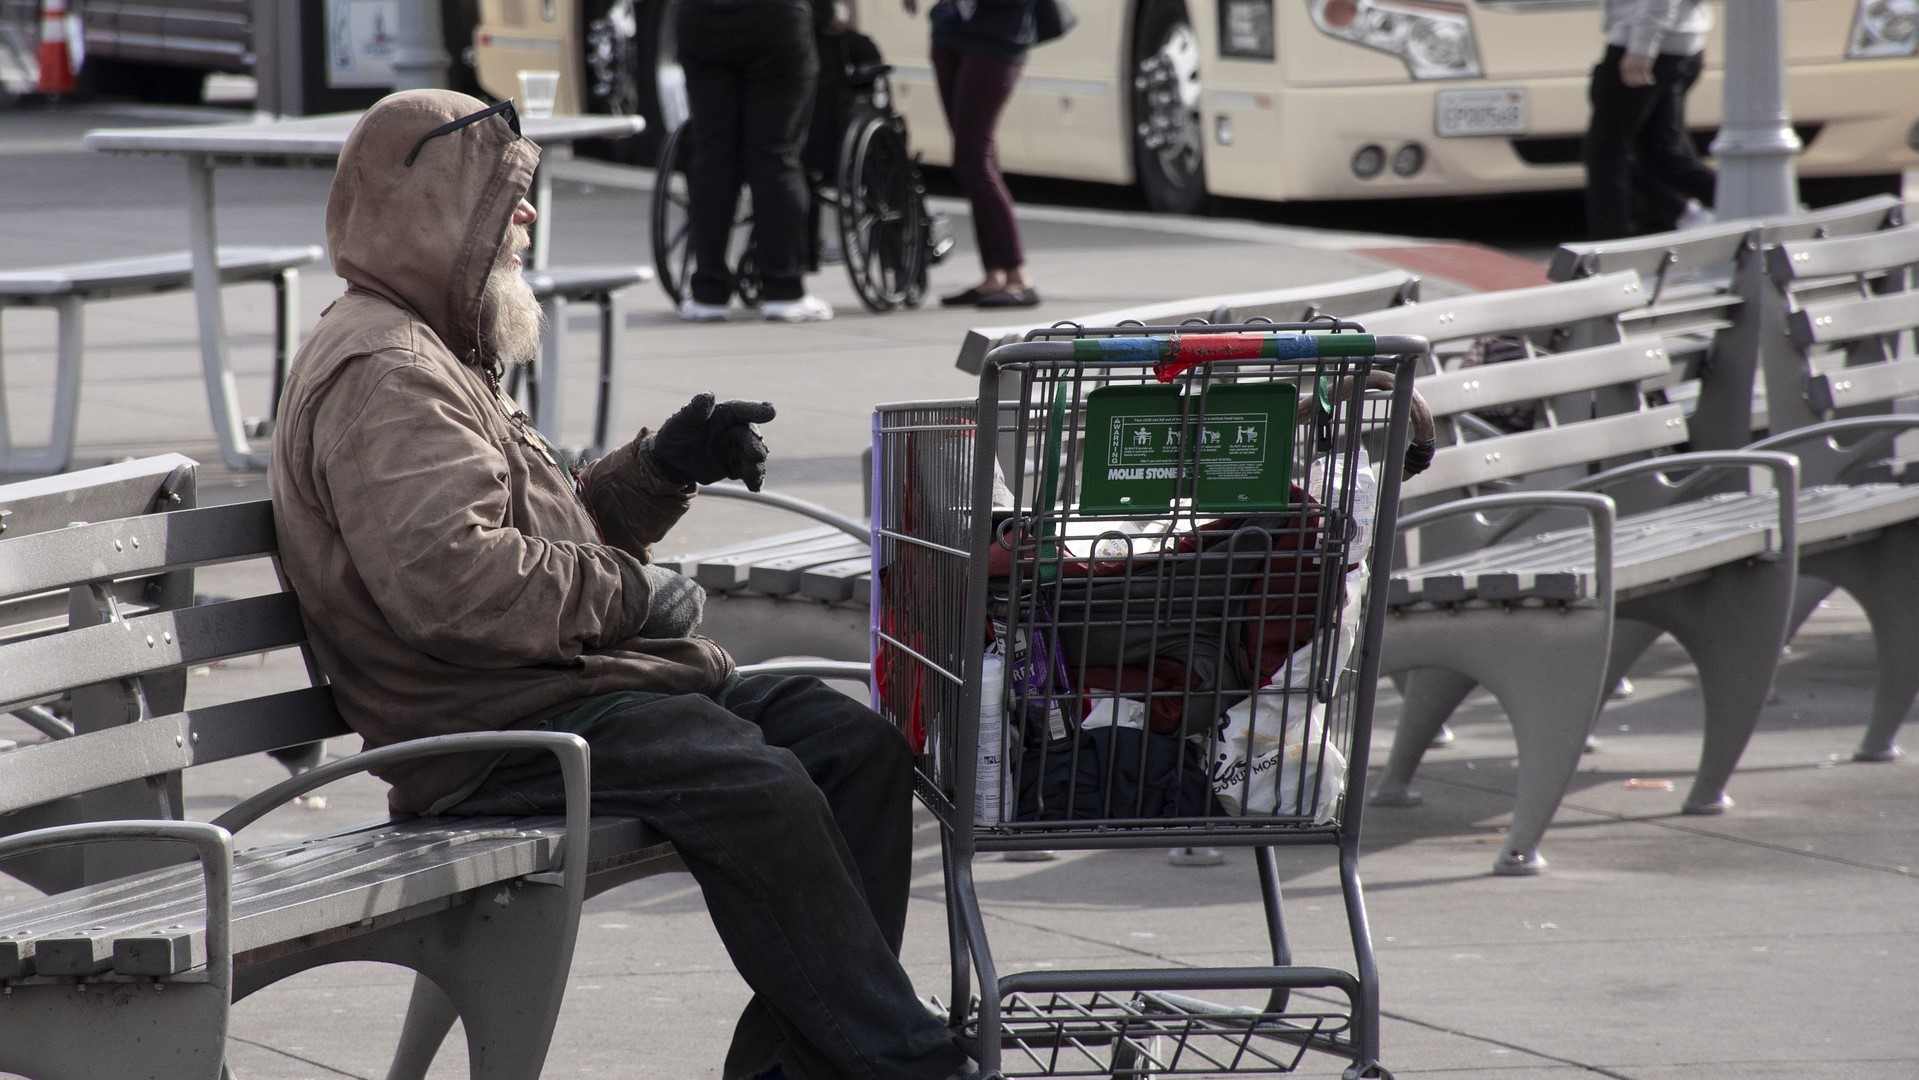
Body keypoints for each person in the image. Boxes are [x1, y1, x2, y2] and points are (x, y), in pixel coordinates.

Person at [269, 89, 995, 1080]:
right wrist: (635, 597)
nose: (525, 218)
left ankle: (815, 1065)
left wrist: (661, 470)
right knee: (756, 782)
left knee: (852, 748)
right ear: (430, 214)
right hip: (484, 730)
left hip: (558, 686)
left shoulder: (435, 348)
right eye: (503, 198)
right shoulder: (387, 370)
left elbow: (534, 533)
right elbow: (457, 587)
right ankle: (907, 1063)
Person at [677, 0, 841, 323]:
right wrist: (827, 13)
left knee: (712, 156)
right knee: (775, 154)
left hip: (702, 21)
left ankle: (708, 292)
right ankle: (783, 289)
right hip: (775, 20)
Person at [906, 0, 1041, 309]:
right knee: (977, 158)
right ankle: (994, 274)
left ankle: (1019, 275)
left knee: (972, 160)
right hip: (951, 30)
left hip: (997, 35)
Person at [1582, 0, 1718, 239]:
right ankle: (1752, 206)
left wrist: (1642, 48)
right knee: (1661, 155)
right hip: (1679, 43)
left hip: (1646, 46)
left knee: (1606, 153)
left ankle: (1611, 252)